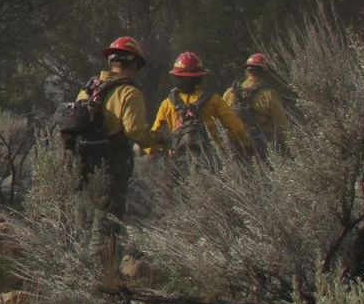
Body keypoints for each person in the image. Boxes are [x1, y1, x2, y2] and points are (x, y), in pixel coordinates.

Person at [74, 36, 154, 282]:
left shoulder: (88, 89)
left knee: (86, 217)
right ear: (132, 65)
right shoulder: (129, 92)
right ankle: (102, 276)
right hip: (112, 162)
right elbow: (135, 131)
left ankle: (79, 267)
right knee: (109, 218)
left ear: (111, 61)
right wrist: (159, 139)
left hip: (82, 160)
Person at [149, 52, 254, 161]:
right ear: (199, 77)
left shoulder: (167, 104)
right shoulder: (214, 100)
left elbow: (154, 137)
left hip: (178, 161)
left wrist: (161, 152)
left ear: (176, 76)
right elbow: (237, 128)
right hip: (211, 159)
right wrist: (224, 146)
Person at [222, 52, 288, 156]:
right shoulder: (269, 94)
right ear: (266, 72)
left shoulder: (230, 92)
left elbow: (220, 120)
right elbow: (281, 125)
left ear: (247, 72)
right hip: (261, 147)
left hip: (236, 147)